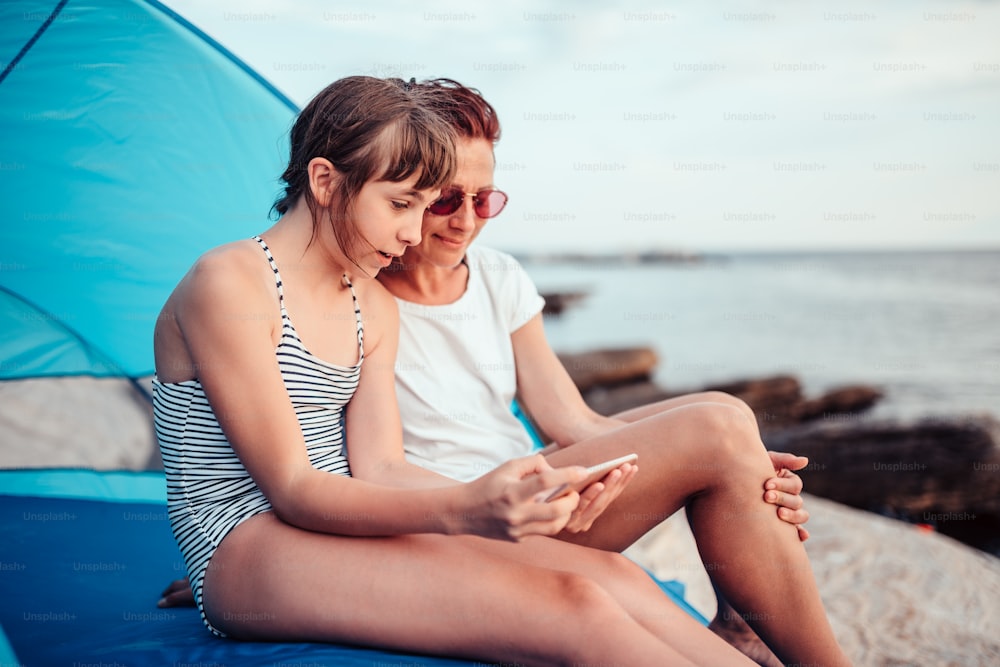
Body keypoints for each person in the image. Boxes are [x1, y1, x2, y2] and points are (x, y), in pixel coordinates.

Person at [155, 74, 851, 665]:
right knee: (574, 610)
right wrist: (465, 507)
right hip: (244, 546)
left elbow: (381, 465)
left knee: (611, 579)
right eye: (405, 205)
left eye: (426, 207)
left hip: (340, 523)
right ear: (326, 181)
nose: (413, 232)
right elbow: (296, 487)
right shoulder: (232, 282)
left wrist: (515, 492)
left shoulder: (368, 301)